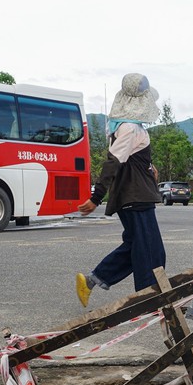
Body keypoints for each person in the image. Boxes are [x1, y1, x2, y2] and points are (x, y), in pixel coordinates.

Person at [75, 73, 166, 307]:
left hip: (136, 196)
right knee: (150, 253)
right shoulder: (129, 128)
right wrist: (96, 197)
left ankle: (92, 280)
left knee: (137, 246)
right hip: (135, 198)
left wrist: (149, 169)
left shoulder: (127, 127)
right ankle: (148, 299)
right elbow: (113, 162)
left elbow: (128, 161)